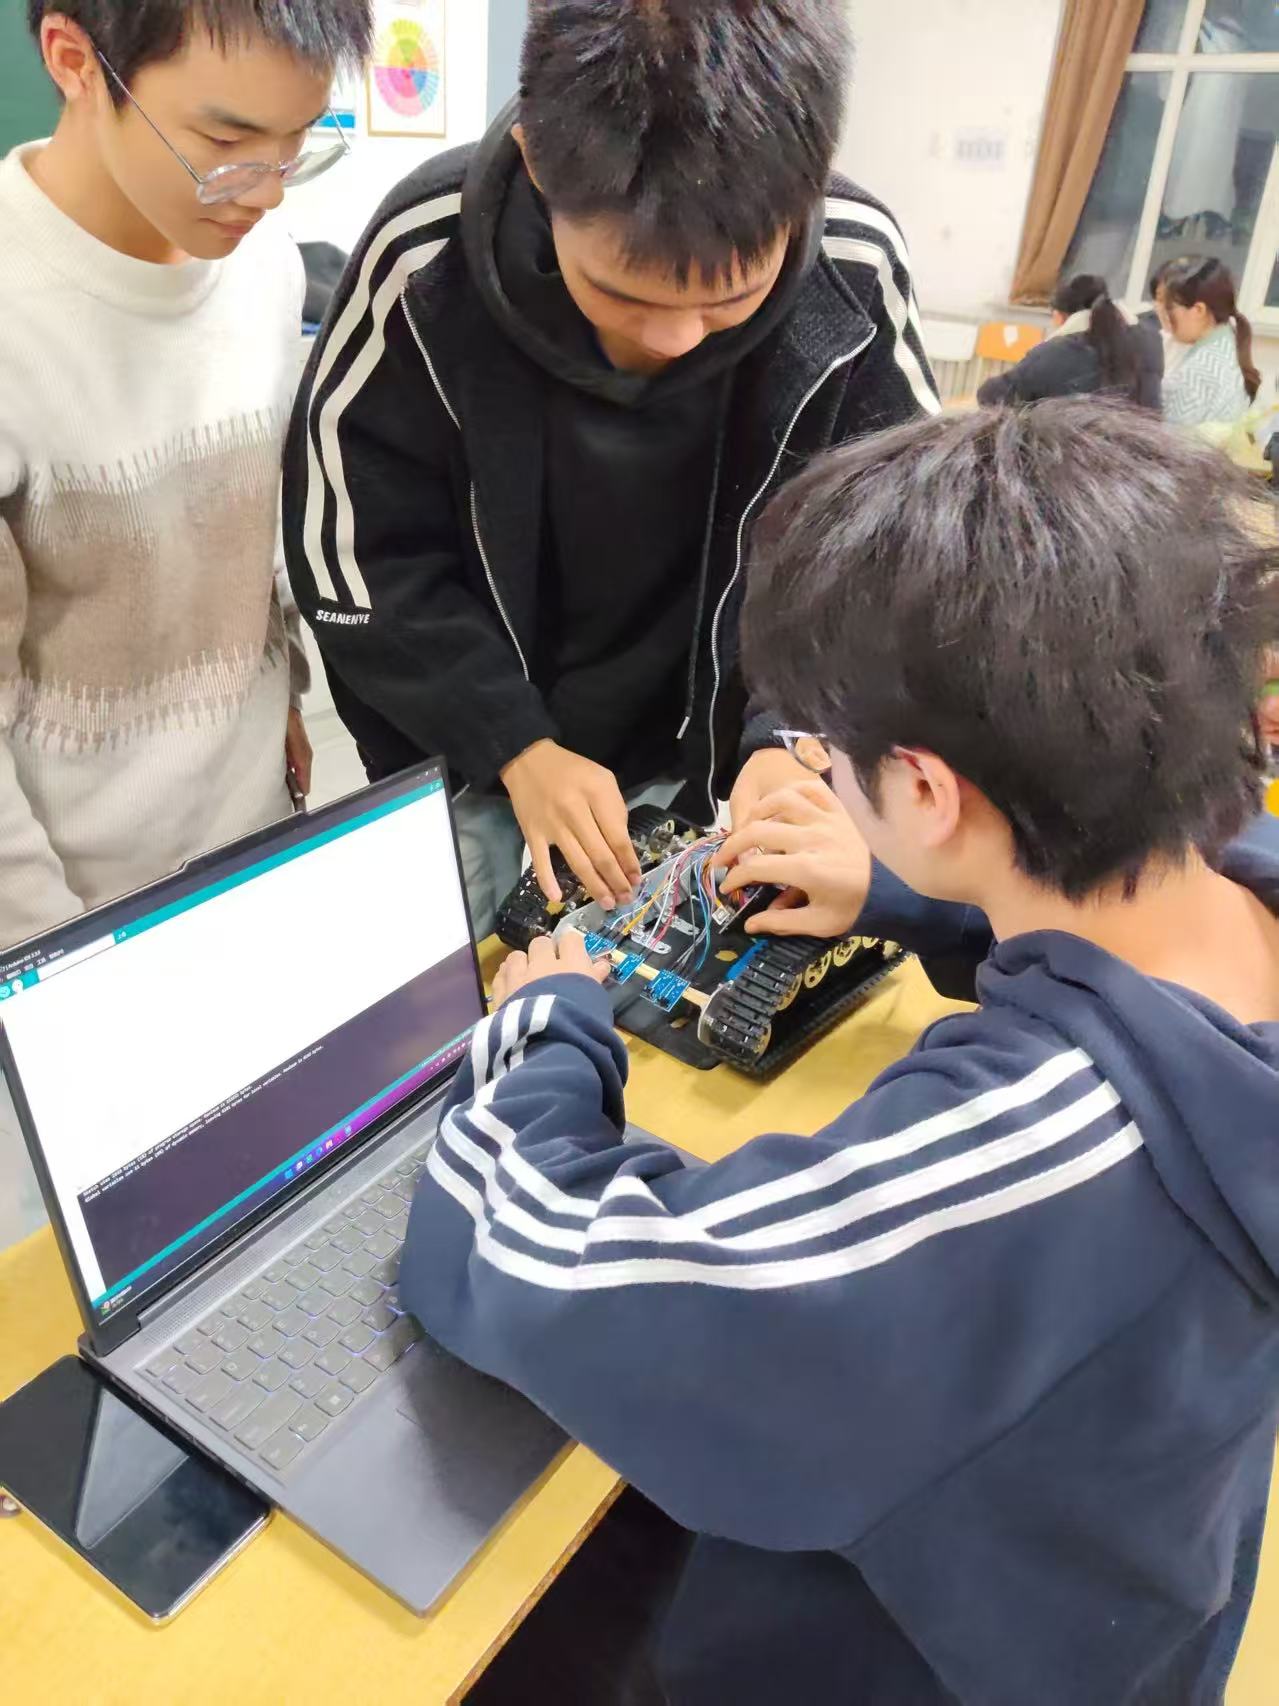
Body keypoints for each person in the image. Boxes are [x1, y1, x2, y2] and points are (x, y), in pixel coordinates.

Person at [398, 399, 1279, 1705]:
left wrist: (544, 1033)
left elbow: (568, 1271)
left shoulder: (1032, 1157)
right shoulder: (1235, 902)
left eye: (827, 754)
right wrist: (918, 894)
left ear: (923, 791)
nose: (817, 768)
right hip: (1104, 1607)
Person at [282, 0, 939, 936]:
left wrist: (793, 736)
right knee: (476, 983)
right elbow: (354, 555)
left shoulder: (853, 263)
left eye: (731, 300)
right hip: (485, 748)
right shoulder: (425, 257)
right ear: (537, 158)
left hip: (734, 752)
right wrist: (512, 743)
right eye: (622, 295)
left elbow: (889, 561)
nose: (676, 341)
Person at [0, 0, 372, 952]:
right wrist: (54, 959)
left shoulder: (265, 270)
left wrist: (283, 690)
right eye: (227, 142)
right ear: (74, 60)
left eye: (298, 141)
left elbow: (248, 538)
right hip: (74, 907)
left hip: (257, 843)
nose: (267, 193)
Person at [977, 273, 1161, 409]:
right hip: (1143, 447)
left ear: (1058, 316)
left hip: (1078, 448)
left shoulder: (1053, 354)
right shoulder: (1151, 341)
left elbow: (991, 396)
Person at [1161, 256, 1262, 429]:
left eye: (1170, 309)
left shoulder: (1197, 371)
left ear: (1198, 310)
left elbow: (1170, 442)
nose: (1165, 316)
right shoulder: (1229, 342)